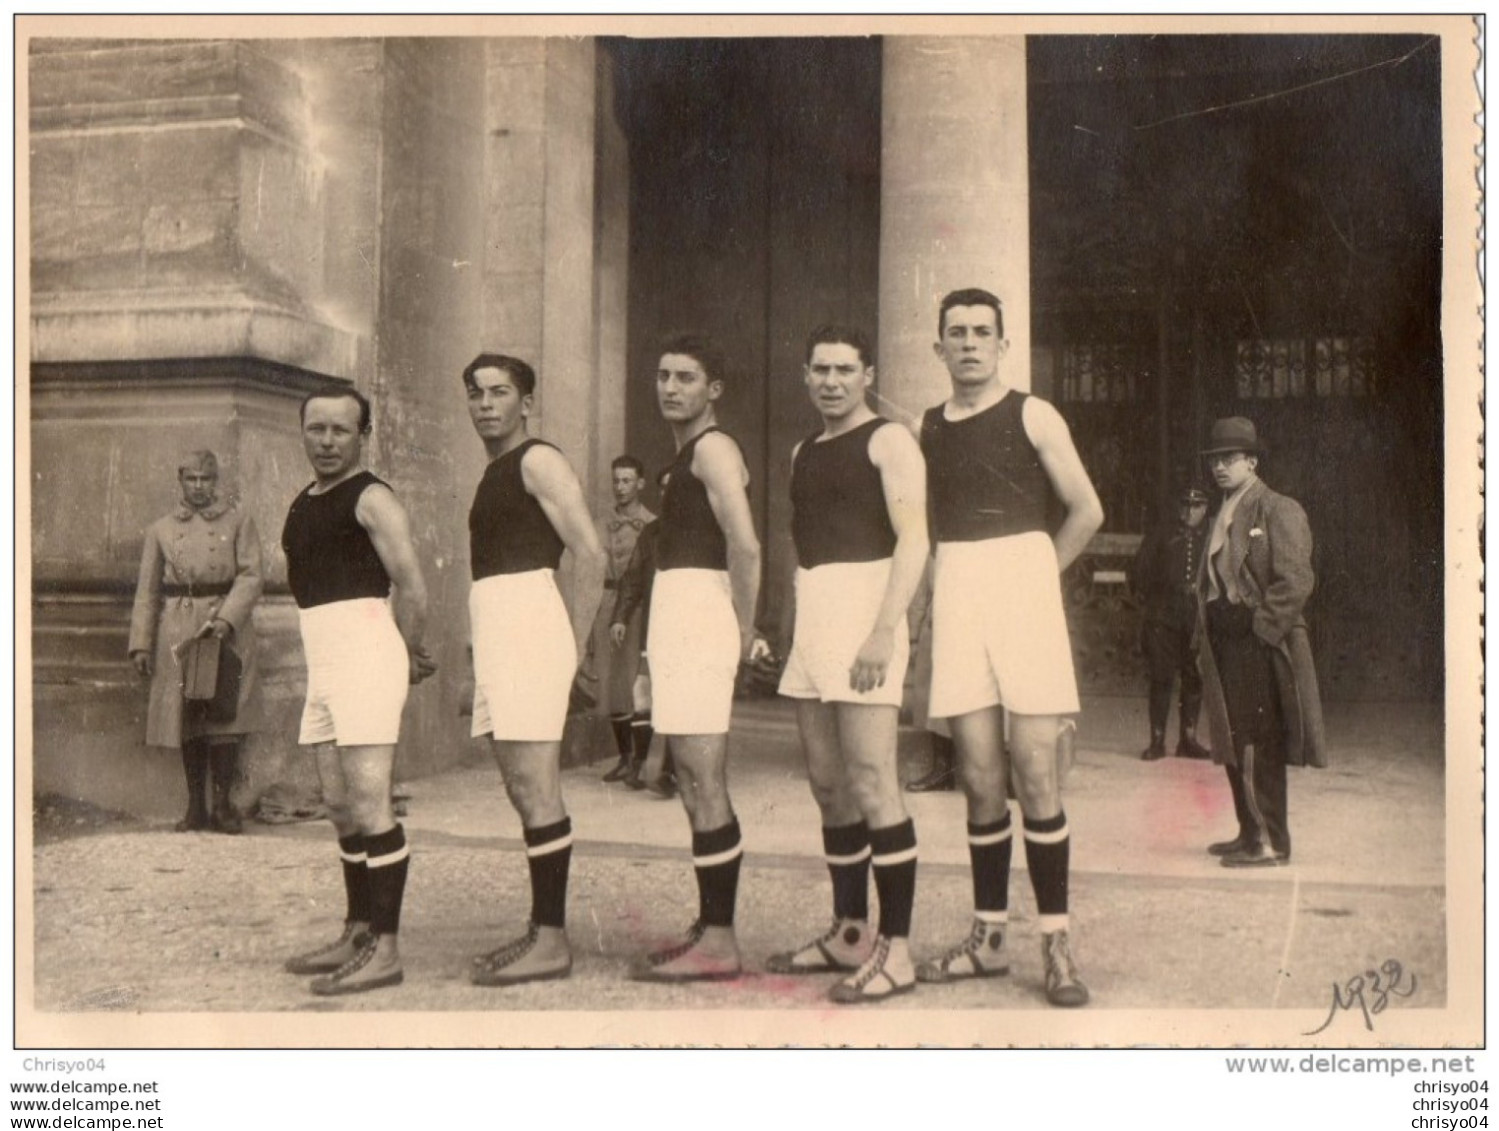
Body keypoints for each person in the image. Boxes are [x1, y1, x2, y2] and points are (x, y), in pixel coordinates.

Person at [914, 287, 1102, 1008]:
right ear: (938, 347)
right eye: (954, 333)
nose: (967, 343)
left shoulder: (1033, 412)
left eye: (980, 332)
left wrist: (1032, 576)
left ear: (1001, 343)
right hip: (959, 587)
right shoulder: (927, 425)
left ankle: (1055, 940)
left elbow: (1087, 510)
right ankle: (987, 936)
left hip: (1022, 588)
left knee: (1035, 770)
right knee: (980, 776)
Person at [768, 325, 928, 1003]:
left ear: (867, 374)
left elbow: (914, 537)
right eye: (820, 369)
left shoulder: (888, 439)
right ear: (805, 375)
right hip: (815, 616)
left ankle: (899, 949)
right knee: (828, 783)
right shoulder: (804, 448)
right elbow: (802, 549)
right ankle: (849, 930)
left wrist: (883, 631)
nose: (831, 381)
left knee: (871, 778)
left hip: (868, 612)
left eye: (844, 369)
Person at [279, 388, 436, 996]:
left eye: (340, 430)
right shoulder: (303, 500)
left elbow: (412, 586)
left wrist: (408, 651)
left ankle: (387, 951)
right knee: (339, 805)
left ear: (362, 435)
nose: (326, 440)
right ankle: (358, 930)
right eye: (316, 429)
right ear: (303, 432)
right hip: (324, 659)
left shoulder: (372, 498)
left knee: (372, 806)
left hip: (368, 652)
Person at [460, 353, 606, 986]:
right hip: (499, 626)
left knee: (537, 785)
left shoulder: (537, 460)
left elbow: (594, 555)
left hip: (530, 627)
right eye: (476, 393)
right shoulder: (496, 468)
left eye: (500, 392)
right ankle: (540, 928)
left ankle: (552, 941)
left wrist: (568, 649)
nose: (486, 403)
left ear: (527, 403)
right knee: (521, 787)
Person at [630, 334, 761, 983]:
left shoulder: (712, 448)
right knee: (688, 777)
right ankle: (711, 924)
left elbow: (746, 545)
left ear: (712, 391)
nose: (669, 387)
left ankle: (720, 939)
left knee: (704, 779)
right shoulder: (684, 455)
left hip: (703, 613)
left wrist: (741, 629)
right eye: (662, 374)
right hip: (679, 612)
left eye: (685, 376)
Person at [1195, 417, 1325, 868]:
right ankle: (1249, 831)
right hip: (1225, 639)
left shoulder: (1276, 508)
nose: (1219, 467)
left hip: (1257, 639)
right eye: (1214, 460)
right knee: (1233, 738)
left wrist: (1262, 632)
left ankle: (1270, 841)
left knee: (1258, 741)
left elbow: (1296, 580)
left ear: (1252, 461)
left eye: (1229, 459)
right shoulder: (1224, 510)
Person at [128, 450, 263, 834]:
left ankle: (222, 806)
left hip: (226, 626)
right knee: (188, 719)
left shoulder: (239, 521)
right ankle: (195, 809)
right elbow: (147, 590)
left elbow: (252, 576)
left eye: (206, 479)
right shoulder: (161, 530)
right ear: (181, 481)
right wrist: (140, 642)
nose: (199, 487)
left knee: (225, 716)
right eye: (192, 479)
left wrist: (225, 620)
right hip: (180, 627)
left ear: (216, 481)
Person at [1130, 486, 1212, 761]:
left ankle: (1188, 740)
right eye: (1186, 505)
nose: (1190, 511)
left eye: (1197, 506)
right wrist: (1153, 597)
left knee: (1194, 676)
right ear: (1179, 508)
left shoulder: (1213, 537)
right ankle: (1157, 741)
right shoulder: (1161, 533)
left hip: (1196, 618)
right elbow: (1139, 570)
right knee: (1161, 677)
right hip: (1163, 616)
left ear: (1206, 508)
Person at [609, 468, 676, 798]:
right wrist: (620, 616)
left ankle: (672, 769)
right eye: (663, 489)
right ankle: (641, 764)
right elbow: (633, 578)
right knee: (643, 694)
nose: (668, 494)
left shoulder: (708, 530)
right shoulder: (652, 532)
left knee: (681, 698)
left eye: (674, 488)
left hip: (692, 633)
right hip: (655, 627)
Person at [591, 456, 655, 788]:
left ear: (640, 484)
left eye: (627, 481)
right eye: (616, 480)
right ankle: (624, 757)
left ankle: (640, 762)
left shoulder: (651, 524)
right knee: (613, 685)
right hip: (608, 603)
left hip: (637, 609)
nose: (620, 487)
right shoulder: (602, 523)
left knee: (635, 683)